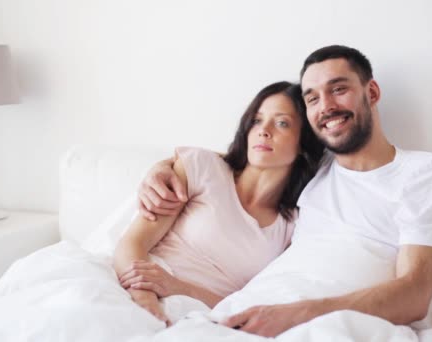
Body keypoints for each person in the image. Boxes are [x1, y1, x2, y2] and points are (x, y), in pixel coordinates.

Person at [136, 45, 432, 337]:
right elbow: (246, 157)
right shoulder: (314, 171)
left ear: (371, 93)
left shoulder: (425, 173)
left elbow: (415, 294)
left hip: (310, 322)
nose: (325, 106)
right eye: (312, 98)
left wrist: (292, 315)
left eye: (338, 89)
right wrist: (164, 166)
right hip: (241, 313)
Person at [112, 81, 325, 323]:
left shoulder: (294, 225)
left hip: (204, 314)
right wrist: (145, 300)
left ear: (304, 143)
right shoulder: (203, 167)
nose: (263, 130)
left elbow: (250, 302)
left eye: (281, 123)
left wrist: (177, 288)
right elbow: (132, 243)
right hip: (136, 286)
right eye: (257, 120)